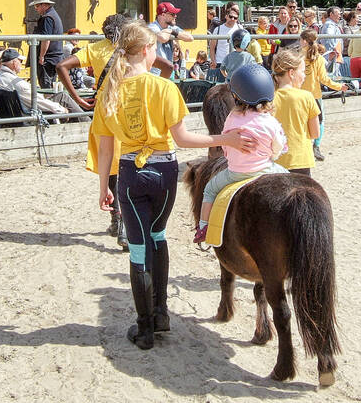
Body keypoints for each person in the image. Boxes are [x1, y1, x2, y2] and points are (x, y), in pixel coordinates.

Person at [90, 20, 254, 348]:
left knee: (138, 249)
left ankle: (144, 326)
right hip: (164, 171)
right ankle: (161, 311)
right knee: (158, 237)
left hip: (130, 173)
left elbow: (105, 146)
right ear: (149, 50)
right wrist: (227, 139)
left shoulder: (111, 88)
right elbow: (183, 138)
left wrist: (103, 187)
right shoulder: (165, 88)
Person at [56, 14, 131, 249]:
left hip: (103, 109)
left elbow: (61, 66)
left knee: (110, 166)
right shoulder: (134, 48)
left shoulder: (95, 48)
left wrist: (76, 97)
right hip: (128, 108)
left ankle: (116, 218)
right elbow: (166, 66)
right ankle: (123, 223)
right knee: (128, 164)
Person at [193, 64, 288, 243]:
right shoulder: (270, 121)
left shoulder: (231, 118)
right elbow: (278, 147)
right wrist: (272, 155)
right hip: (266, 170)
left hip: (235, 173)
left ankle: (203, 227)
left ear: (236, 95)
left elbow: (226, 147)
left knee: (209, 190)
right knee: (291, 181)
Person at [0, 49, 88, 120]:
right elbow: (37, 102)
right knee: (63, 97)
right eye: (20, 61)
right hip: (29, 113)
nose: (22, 63)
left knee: (60, 97)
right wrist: (62, 110)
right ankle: (87, 123)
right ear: (14, 63)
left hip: (13, 111)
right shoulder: (17, 83)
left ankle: (84, 120)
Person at [299, 29, 348, 162]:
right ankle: (316, 146)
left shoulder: (297, 56)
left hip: (299, 95)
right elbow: (324, 80)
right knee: (319, 121)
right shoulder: (318, 58)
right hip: (314, 95)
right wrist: (340, 87)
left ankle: (303, 147)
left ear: (304, 41)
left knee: (301, 122)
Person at [271, 49, 320, 176]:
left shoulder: (269, 99)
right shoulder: (307, 97)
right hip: (301, 160)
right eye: (302, 72)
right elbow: (315, 133)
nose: (304, 76)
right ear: (291, 73)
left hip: (275, 161)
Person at [149, 2, 195, 76]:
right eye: (172, 14)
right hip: (155, 73)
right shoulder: (152, 27)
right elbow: (163, 38)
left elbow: (190, 38)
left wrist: (172, 31)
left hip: (168, 71)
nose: (175, 16)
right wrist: (172, 32)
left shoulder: (171, 27)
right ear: (163, 15)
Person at [29, 0, 64, 89]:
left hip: (48, 59)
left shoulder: (47, 18)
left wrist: (41, 56)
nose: (35, 8)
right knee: (51, 87)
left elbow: (46, 39)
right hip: (54, 58)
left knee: (46, 88)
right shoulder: (53, 15)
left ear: (44, 5)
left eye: (37, 5)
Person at [319, 7, 343, 73]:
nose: (340, 16)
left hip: (334, 56)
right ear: (331, 14)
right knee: (332, 77)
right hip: (332, 56)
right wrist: (334, 48)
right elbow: (329, 35)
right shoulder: (329, 24)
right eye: (338, 14)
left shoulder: (331, 24)